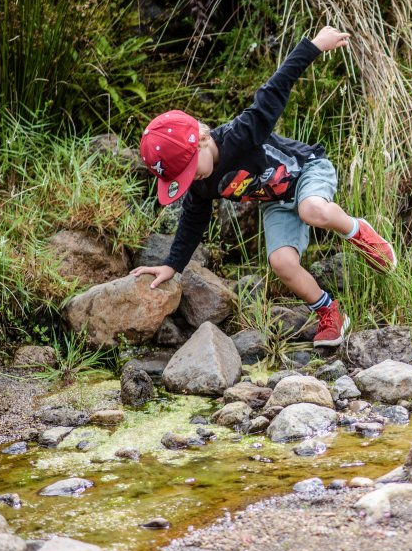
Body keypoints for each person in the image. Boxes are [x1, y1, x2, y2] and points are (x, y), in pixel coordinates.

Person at [132, 26, 394, 347]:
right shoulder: (200, 184)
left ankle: (358, 232)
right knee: (282, 263)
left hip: (308, 170)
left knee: (311, 209)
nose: (190, 180)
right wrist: (172, 265)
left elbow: (274, 89)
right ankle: (329, 311)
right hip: (277, 201)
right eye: (180, 179)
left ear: (200, 140)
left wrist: (313, 46)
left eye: (188, 171)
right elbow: (192, 221)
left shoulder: (240, 135)